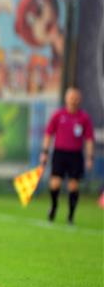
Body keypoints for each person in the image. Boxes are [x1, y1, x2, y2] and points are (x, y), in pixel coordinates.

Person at [39, 87, 94, 224]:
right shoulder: (58, 115)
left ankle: (71, 215)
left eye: (76, 98)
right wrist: (45, 152)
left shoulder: (84, 118)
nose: (73, 101)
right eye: (71, 98)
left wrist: (89, 157)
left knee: (73, 186)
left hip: (75, 155)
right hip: (60, 154)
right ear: (66, 99)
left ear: (79, 100)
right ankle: (54, 205)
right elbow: (48, 134)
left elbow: (89, 139)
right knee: (55, 184)